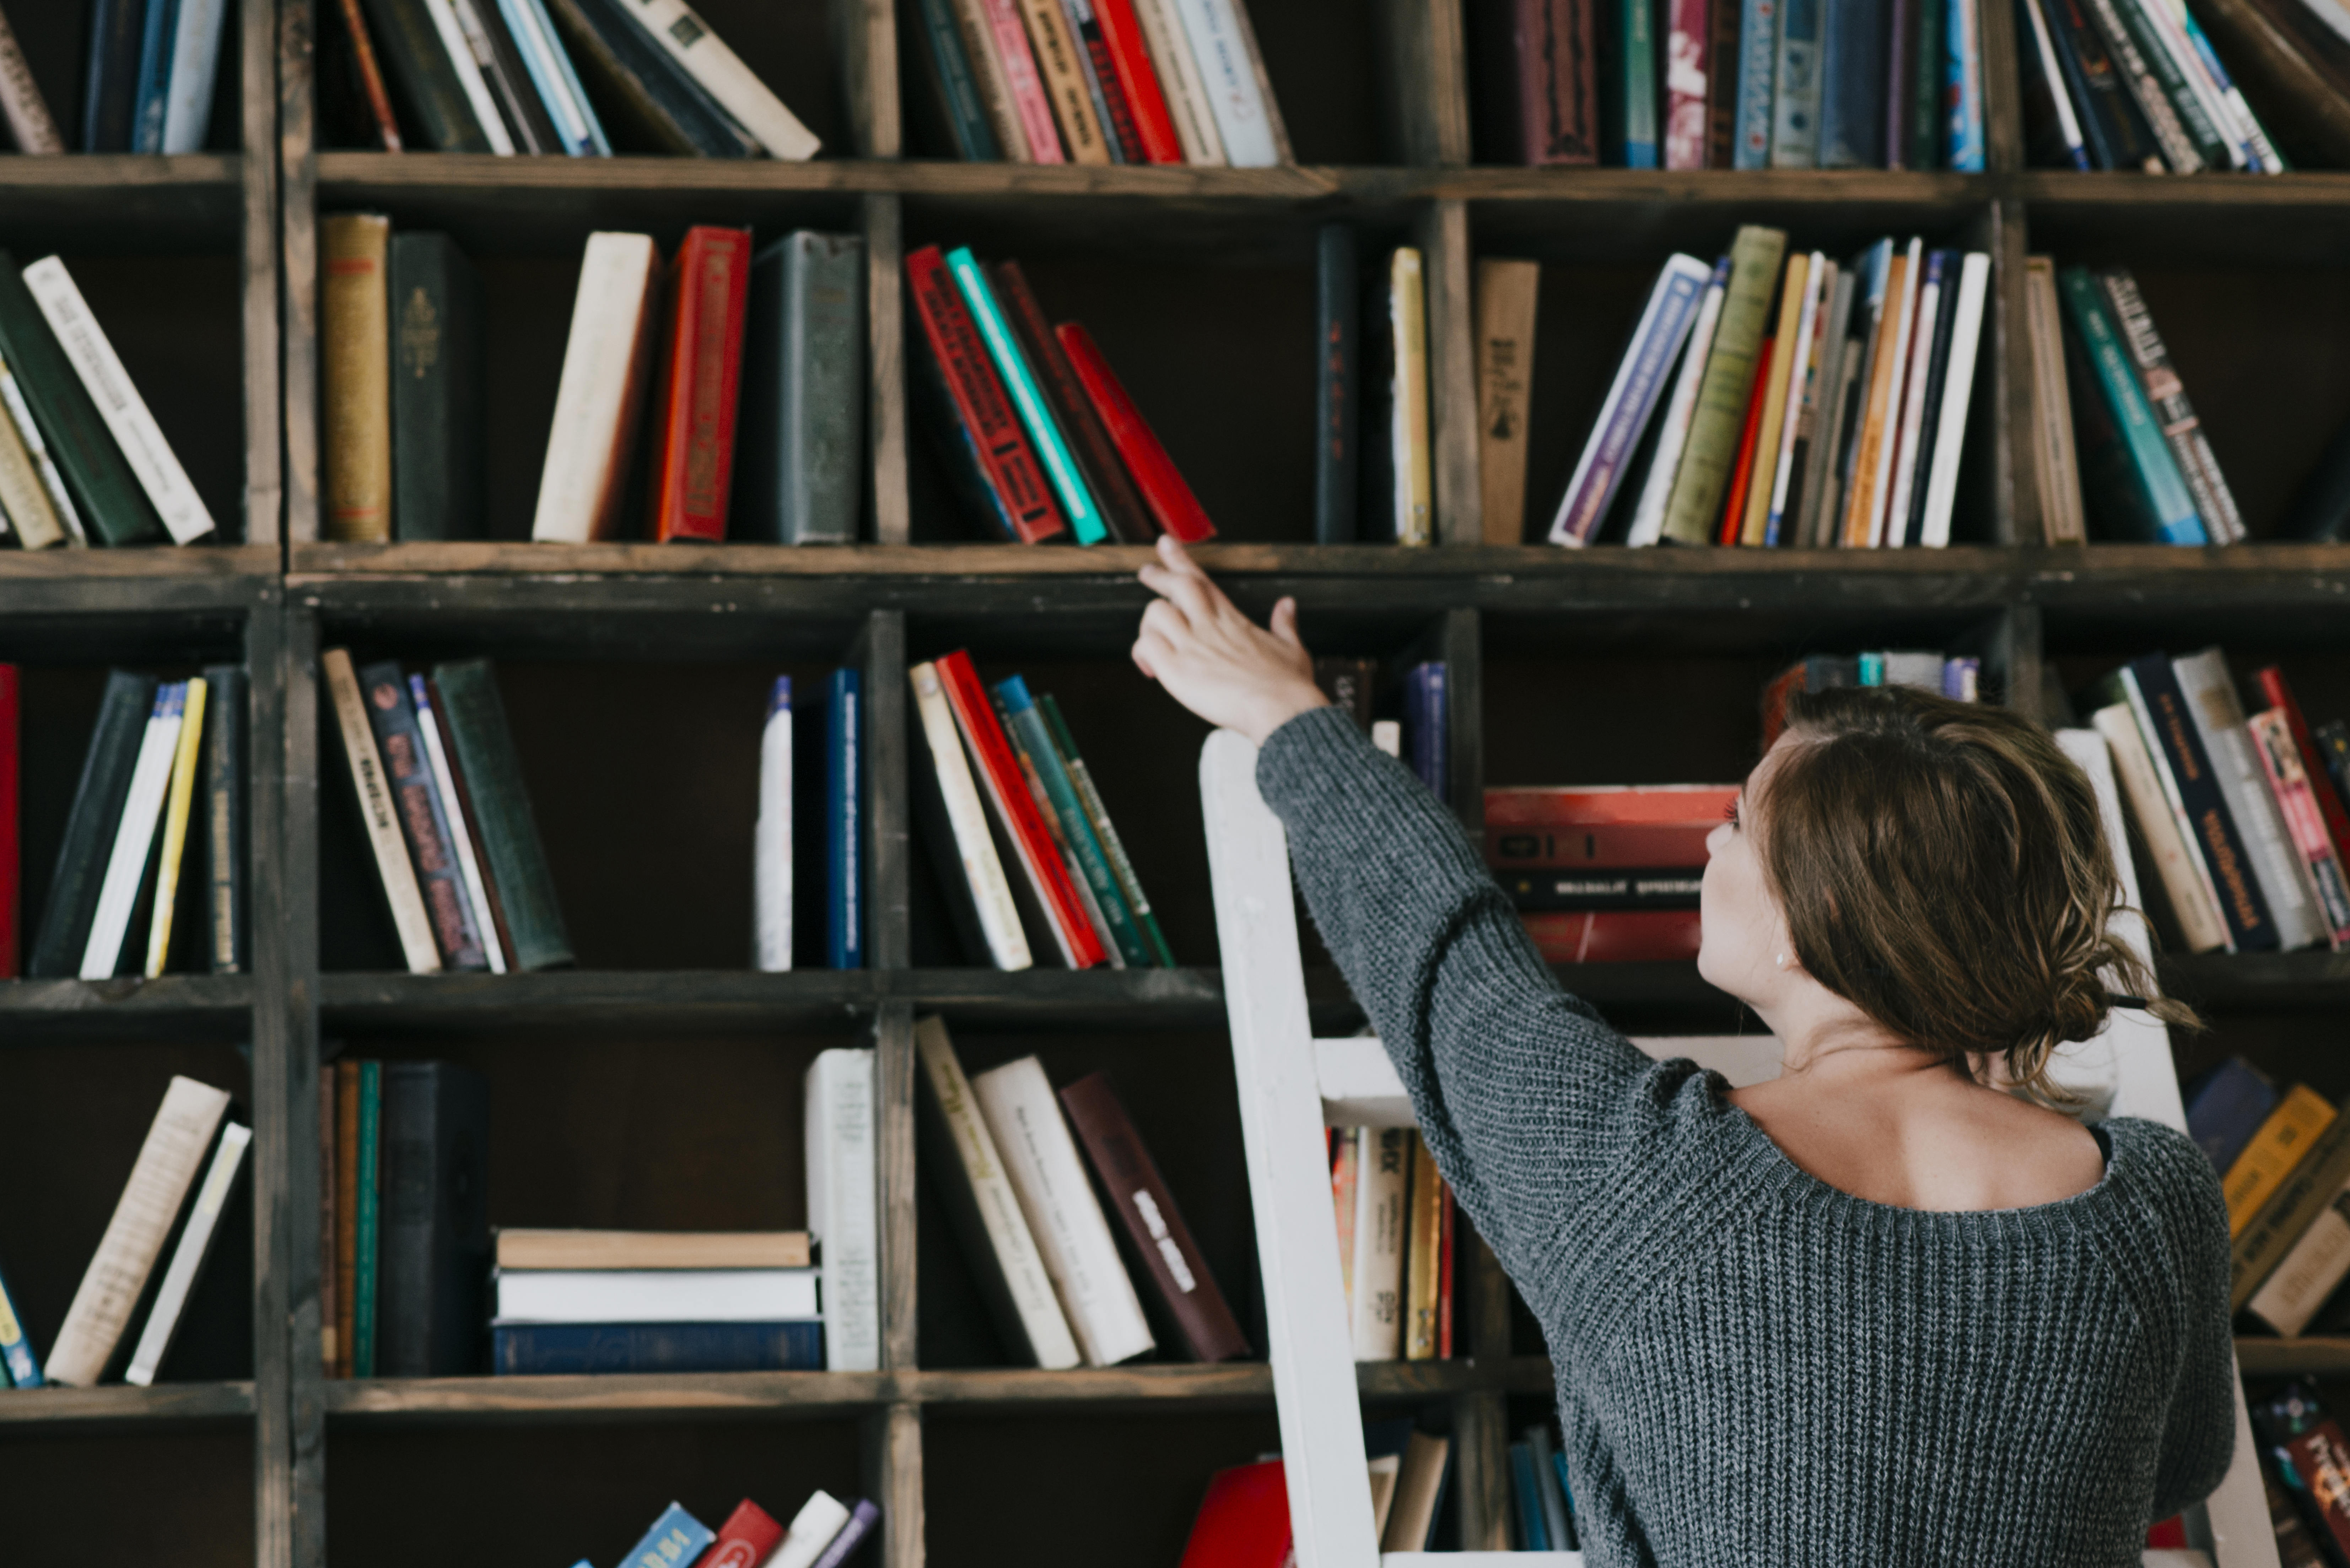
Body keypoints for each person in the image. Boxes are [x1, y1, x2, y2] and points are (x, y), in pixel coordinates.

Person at [1131, 535, 2235, 1567]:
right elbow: (2175, 1472)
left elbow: (1447, 959)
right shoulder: (2156, 1202)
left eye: (1743, 824)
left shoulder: (1643, 1176)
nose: (1713, 838)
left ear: (1812, 921)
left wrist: (1290, 716)